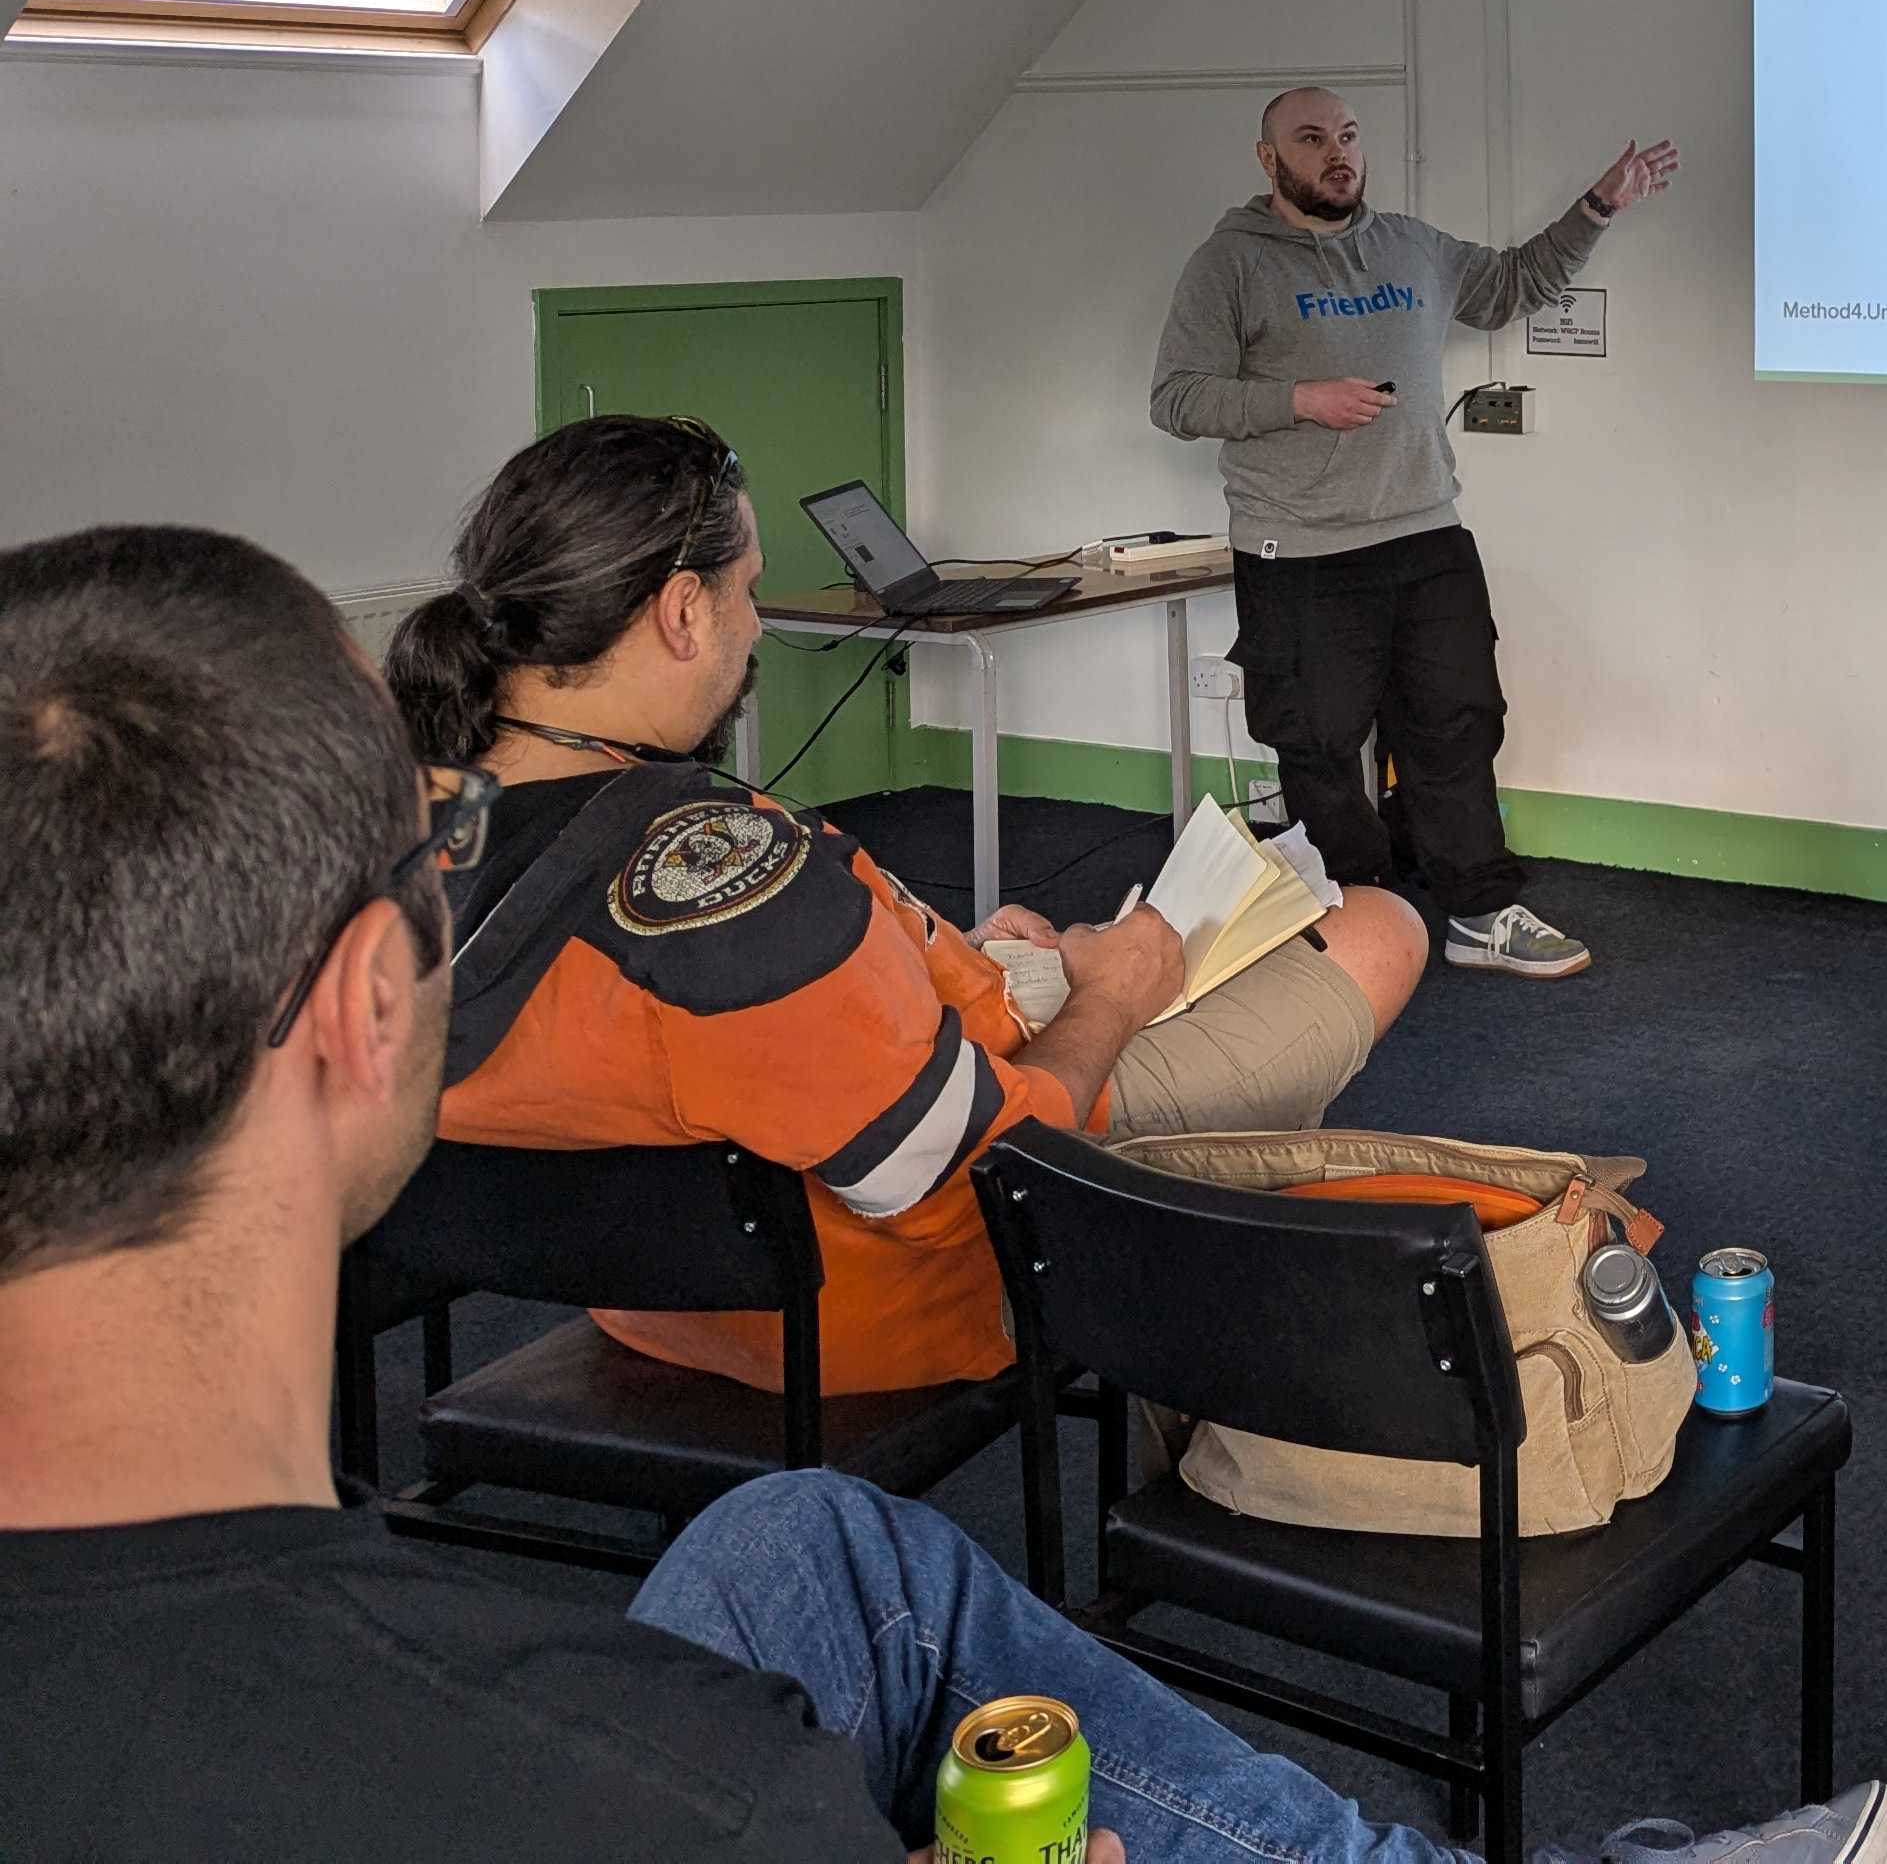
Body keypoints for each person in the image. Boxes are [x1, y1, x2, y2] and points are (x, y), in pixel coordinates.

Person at [0, 519, 1887, 1864]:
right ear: (364, 1006)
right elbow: (954, 1154)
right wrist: (1098, 993)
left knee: (812, 1544)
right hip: (960, 1238)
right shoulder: (669, 1792)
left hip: (760, 1318)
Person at [389, 414, 1431, 1395]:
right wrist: (1109, 995)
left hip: (654, 1309)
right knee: (1379, 930)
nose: (753, 627)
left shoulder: (384, 851)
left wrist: (947, 955)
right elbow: (958, 1167)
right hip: (878, 1311)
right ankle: (1212, 1297)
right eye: (748, 592)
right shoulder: (738, 884)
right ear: (682, 611)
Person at [1151, 85, 1674, 983]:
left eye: (1348, 136)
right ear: (1269, 159)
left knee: (1456, 726)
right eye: (1311, 139)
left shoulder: (1409, 245)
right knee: (1318, 747)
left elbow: (1512, 285)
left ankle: (1479, 910)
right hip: (1300, 551)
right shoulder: (1229, 263)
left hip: (1426, 535)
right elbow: (1177, 398)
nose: (1337, 154)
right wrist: (1297, 400)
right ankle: (1360, 916)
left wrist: (1598, 207)